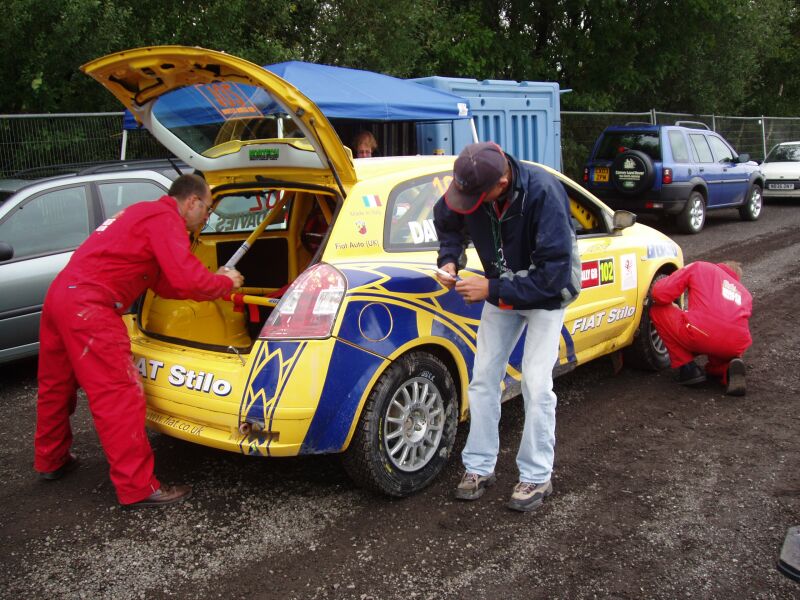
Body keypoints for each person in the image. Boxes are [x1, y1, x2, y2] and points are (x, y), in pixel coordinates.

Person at [33, 174, 244, 508]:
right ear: (191, 201)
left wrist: (210, 287)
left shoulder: (142, 213)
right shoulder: (165, 219)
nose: (206, 218)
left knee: (55, 385)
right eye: (206, 208)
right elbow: (188, 277)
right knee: (120, 394)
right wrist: (221, 281)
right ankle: (138, 487)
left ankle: (51, 460)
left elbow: (166, 284)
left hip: (62, 296)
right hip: (90, 306)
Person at [433, 142, 579, 512]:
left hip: (547, 295)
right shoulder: (471, 189)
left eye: (477, 198)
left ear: (503, 180)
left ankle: (536, 475)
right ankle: (479, 466)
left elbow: (553, 274)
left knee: (535, 381)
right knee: (482, 378)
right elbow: (448, 222)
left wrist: (490, 288)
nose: (470, 203)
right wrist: (450, 260)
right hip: (501, 289)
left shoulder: (544, 193)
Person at [649, 260, 752, 395]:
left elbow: (660, 293)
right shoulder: (745, 294)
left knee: (658, 311)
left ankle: (688, 369)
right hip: (736, 344)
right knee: (721, 343)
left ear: (720, 266)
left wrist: (671, 304)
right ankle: (727, 370)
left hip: (700, 332)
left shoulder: (701, 267)